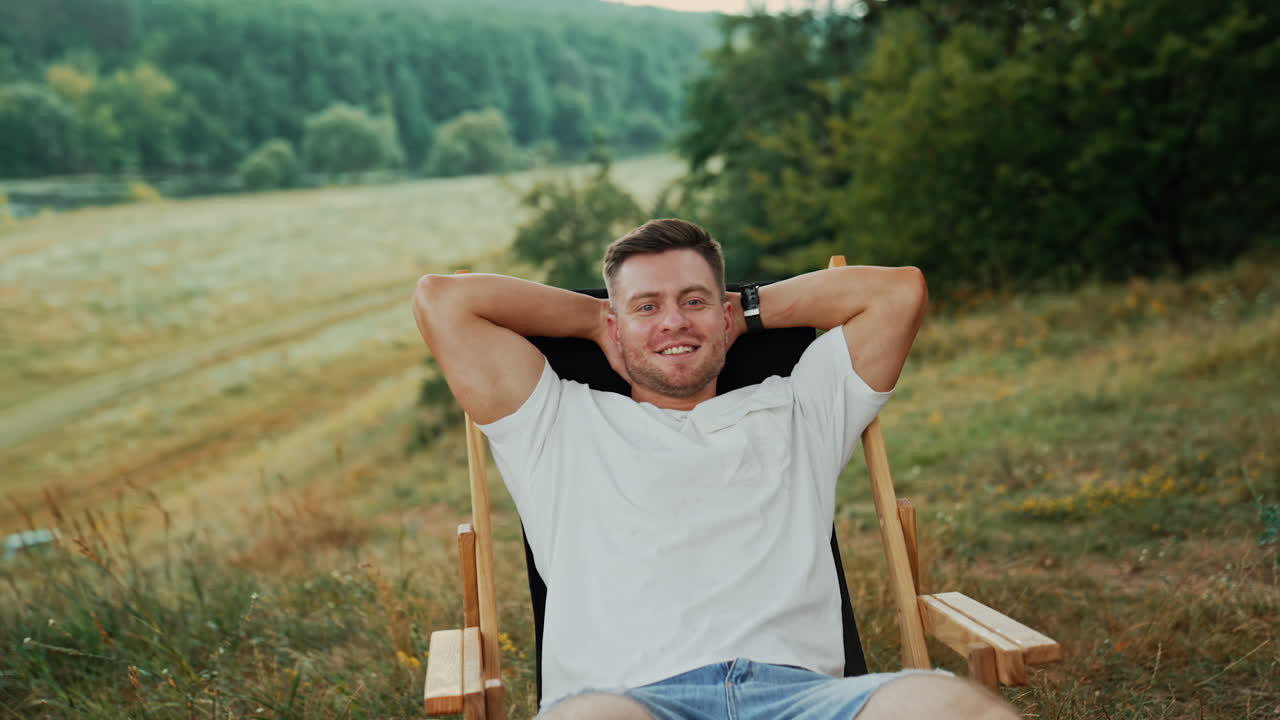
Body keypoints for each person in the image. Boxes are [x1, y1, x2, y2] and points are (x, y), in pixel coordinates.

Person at [412, 219, 1019, 720]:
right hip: (630, 703)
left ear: (728, 317)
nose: (674, 321)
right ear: (615, 327)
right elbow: (443, 300)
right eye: (646, 307)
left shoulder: (799, 405)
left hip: (803, 700)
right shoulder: (554, 420)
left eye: (693, 302)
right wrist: (594, 319)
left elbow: (899, 292)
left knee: (953, 706)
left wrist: (742, 307)